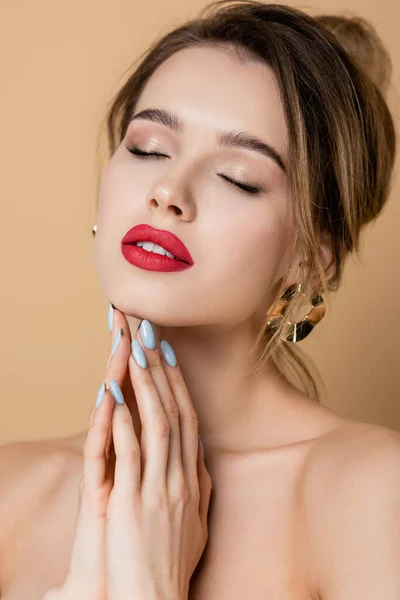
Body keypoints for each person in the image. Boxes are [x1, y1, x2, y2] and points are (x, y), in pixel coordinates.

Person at [0, 1, 399, 598]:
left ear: (311, 259)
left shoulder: (374, 496)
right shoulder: (11, 491)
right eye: (147, 148)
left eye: (237, 176)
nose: (167, 191)